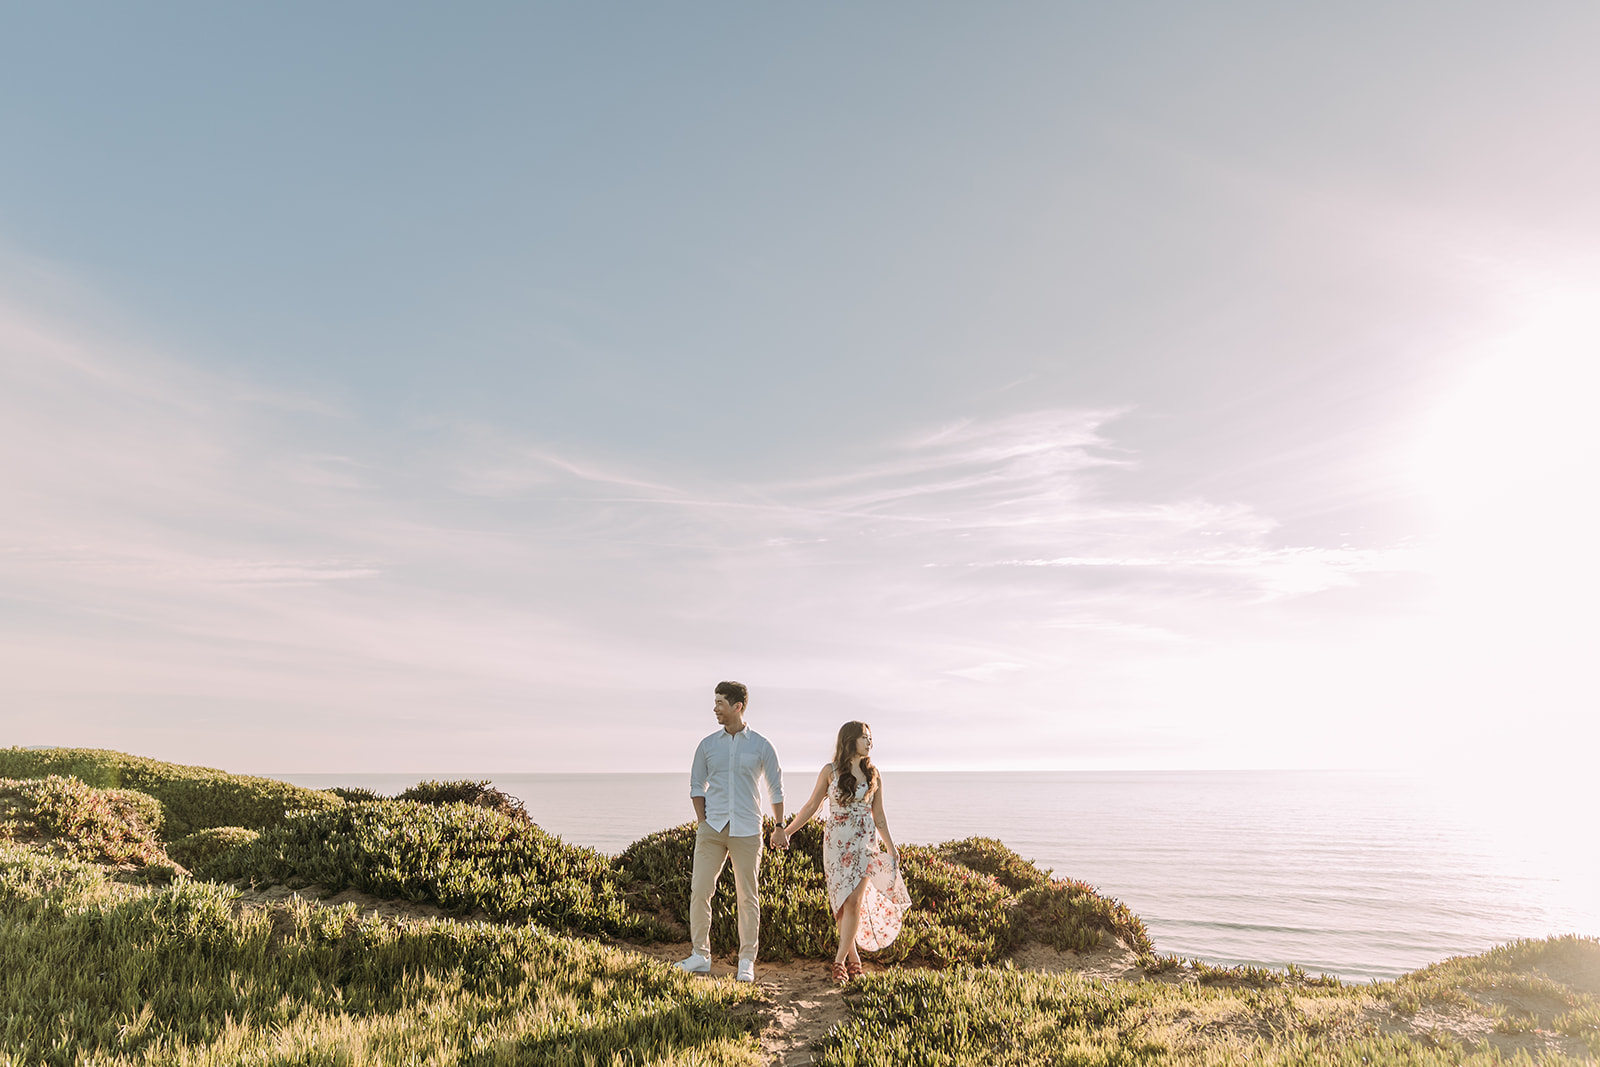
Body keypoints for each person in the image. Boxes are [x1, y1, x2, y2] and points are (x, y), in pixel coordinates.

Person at [771, 720, 911, 983]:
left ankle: (838, 962)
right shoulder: (830, 771)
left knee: (855, 901)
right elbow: (812, 805)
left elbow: (879, 815)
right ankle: (854, 958)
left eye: (871, 738)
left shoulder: (873, 774)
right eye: (864, 738)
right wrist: (787, 831)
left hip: (865, 844)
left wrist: (891, 848)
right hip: (836, 845)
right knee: (842, 904)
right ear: (849, 740)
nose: (870, 742)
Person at [677, 681, 785, 984]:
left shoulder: (762, 745)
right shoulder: (707, 745)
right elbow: (696, 786)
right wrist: (701, 822)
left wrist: (778, 827)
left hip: (748, 830)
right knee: (700, 891)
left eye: (720, 702)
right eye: (715, 702)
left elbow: (775, 789)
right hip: (712, 830)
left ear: (738, 706)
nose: (715, 708)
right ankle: (700, 955)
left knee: (747, 897)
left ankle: (746, 960)